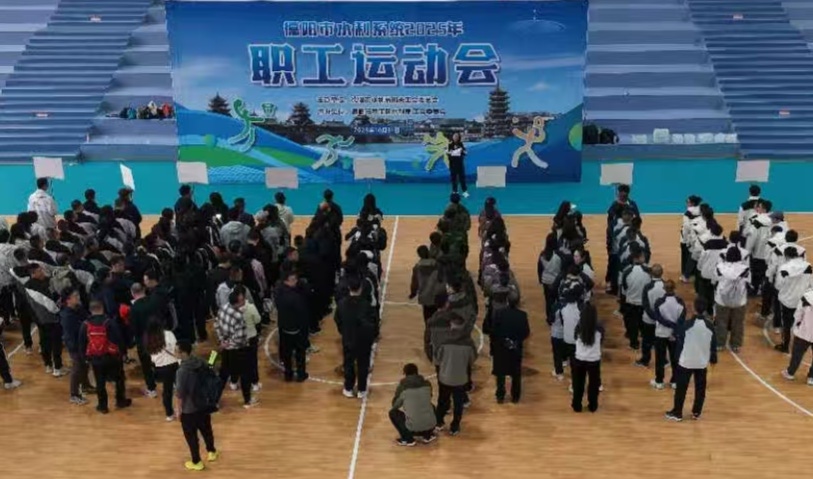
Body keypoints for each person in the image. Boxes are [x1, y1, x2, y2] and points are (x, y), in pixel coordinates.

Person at [666, 297, 718, 422]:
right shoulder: (710, 326)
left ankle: (677, 412)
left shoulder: (686, 325)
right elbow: (713, 344)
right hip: (701, 362)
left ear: (694, 308)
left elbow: (680, 343)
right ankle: (696, 412)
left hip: (686, 361)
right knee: (700, 389)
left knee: (681, 388)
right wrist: (713, 359)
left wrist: (676, 358)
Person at [78, 299, 132, 414]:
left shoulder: (85, 325)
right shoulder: (110, 322)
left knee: (100, 382)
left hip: (96, 358)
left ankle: (102, 406)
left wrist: (85, 358)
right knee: (119, 378)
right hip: (112, 357)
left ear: (90, 310)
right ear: (102, 308)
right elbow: (119, 339)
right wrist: (123, 353)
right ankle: (120, 400)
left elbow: (82, 343)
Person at [175, 340, 219, 471]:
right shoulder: (199, 361)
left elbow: (180, 394)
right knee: (207, 430)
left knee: (191, 437)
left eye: (176, 351)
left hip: (189, 410)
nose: (174, 352)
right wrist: (214, 355)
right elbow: (211, 369)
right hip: (203, 404)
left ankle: (196, 461)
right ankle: (212, 451)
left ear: (183, 353)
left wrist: (178, 410)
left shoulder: (182, 371)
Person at [434, 314, 476, 436]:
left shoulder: (443, 341)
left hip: (445, 377)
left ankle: (439, 422)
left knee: (442, 401)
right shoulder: (468, 343)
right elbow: (472, 360)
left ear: (451, 325)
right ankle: (455, 426)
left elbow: (437, 359)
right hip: (460, 379)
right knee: (458, 404)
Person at [335, 276, 377, 398]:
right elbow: (374, 322)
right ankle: (361, 390)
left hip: (348, 338)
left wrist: (343, 332)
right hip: (364, 340)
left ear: (349, 288)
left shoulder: (341, 304)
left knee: (348, 363)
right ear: (361, 288)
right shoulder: (366, 304)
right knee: (363, 364)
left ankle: (348, 388)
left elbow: (337, 319)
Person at [214, 288, 256, 408]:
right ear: (237, 302)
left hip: (226, 349)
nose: (245, 301)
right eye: (242, 299)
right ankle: (247, 401)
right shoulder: (239, 316)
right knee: (245, 375)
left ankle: (215, 400)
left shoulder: (223, 308)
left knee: (223, 375)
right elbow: (239, 338)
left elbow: (216, 324)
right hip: (238, 350)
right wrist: (229, 343)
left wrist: (223, 341)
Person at [490, 297, 530, 403]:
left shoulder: (498, 313)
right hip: (515, 348)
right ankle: (515, 397)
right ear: (518, 303)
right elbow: (526, 332)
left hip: (501, 347)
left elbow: (494, 330)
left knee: (500, 373)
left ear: (507, 301)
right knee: (516, 373)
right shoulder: (522, 315)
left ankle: (500, 396)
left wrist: (504, 340)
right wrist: (515, 341)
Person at [775, 247, 813, 353]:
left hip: (787, 300)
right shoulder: (808, 266)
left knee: (786, 324)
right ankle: (798, 345)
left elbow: (778, 285)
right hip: (802, 300)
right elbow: (811, 284)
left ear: (786, 256)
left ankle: (785, 346)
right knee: (801, 323)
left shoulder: (784, 268)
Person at [60, 288, 94, 405]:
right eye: (75, 296)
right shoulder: (67, 316)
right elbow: (71, 335)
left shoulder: (79, 308)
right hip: (75, 345)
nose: (78, 297)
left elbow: (88, 318)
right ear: (68, 300)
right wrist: (77, 349)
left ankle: (85, 386)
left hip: (84, 343)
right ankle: (74, 395)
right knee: (77, 367)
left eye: (78, 295)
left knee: (85, 365)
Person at [390, 363, 437, 446]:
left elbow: (395, 405)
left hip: (413, 429)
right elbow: (429, 396)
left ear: (405, 374)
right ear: (417, 372)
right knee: (431, 406)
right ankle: (427, 435)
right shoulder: (427, 384)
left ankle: (408, 439)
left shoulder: (403, 387)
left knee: (393, 413)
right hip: (430, 426)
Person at [275, 269, 309, 382]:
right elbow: (302, 313)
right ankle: (301, 374)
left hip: (284, 327)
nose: (296, 281)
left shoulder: (278, 292)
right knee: (300, 353)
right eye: (293, 280)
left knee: (287, 353)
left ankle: (288, 374)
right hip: (297, 328)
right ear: (286, 281)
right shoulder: (295, 297)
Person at [714, 248, 750, 352]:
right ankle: (736, 345)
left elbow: (715, 279)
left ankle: (720, 344)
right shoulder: (745, 269)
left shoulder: (720, 267)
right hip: (739, 300)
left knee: (721, 322)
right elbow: (748, 282)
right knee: (738, 323)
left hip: (722, 299)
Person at [651, 280, 686, 390]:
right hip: (674, 334)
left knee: (660, 358)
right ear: (674, 288)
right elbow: (682, 319)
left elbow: (658, 318)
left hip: (661, 333)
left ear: (664, 289)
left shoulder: (659, 302)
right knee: (675, 358)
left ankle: (659, 381)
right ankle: (675, 381)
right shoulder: (680, 302)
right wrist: (674, 327)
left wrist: (669, 324)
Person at [145, 319, 181, 421]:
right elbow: (176, 349)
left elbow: (151, 356)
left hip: (159, 368)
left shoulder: (149, 338)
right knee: (181, 389)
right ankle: (181, 410)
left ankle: (169, 414)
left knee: (167, 391)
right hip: (173, 365)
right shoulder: (168, 334)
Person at [571, 303, 604, 413]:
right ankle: (593, 406)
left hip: (579, 358)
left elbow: (575, 338)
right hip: (594, 360)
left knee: (578, 383)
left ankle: (577, 405)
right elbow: (601, 341)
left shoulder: (578, 327)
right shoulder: (599, 328)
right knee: (594, 384)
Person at [620, 249, 651, 351]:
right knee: (644, 325)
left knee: (632, 325)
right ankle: (646, 343)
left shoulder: (627, 272)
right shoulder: (648, 271)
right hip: (644, 304)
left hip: (631, 303)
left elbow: (623, 290)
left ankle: (634, 343)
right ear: (640, 258)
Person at [639, 264, 665, 367]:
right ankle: (664, 360)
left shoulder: (647, 287)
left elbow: (645, 304)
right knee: (661, 341)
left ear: (651, 274)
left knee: (646, 341)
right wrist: (660, 318)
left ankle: (645, 360)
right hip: (662, 320)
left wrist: (653, 316)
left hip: (649, 319)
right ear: (662, 273)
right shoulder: (666, 286)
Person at [409, 245, 443, 321]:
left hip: (425, 296)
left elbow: (415, 283)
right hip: (437, 294)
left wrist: (413, 293)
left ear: (419, 255)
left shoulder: (417, 267)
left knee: (427, 318)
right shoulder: (437, 264)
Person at [680, 195, 703, 283]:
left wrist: (685, 240)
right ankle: (695, 273)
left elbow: (686, 227)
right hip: (701, 236)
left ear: (692, 203)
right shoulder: (702, 210)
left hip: (690, 238)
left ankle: (686, 275)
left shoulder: (687, 213)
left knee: (688, 256)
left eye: (687, 201)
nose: (686, 203)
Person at [447, 132, 468, 197]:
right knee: (454, 178)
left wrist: (462, 151)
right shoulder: (450, 144)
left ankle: (464, 191)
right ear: (452, 137)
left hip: (460, 164)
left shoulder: (461, 144)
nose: (455, 137)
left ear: (459, 137)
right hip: (453, 164)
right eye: (454, 136)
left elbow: (465, 153)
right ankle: (455, 191)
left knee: (462, 178)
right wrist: (450, 153)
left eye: (457, 136)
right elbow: (448, 153)